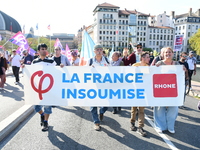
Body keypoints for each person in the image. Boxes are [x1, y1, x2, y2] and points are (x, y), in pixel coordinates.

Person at [31, 43, 57, 131]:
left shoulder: (51, 62)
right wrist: (24, 68)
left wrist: (61, 67)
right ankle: (42, 115)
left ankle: (45, 122)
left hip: (48, 88)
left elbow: (57, 73)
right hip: (38, 88)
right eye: (42, 49)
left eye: (45, 48)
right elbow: (30, 73)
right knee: (36, 107)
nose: (44, 50)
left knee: (47, 106)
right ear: (38, 51)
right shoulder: (34, 62)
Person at [154, 47, 180, 134]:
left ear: (172, 53)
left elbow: (181, 75)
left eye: (169, 52)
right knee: (159, 108)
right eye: (166, 52)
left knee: (173, 109)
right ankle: (160, 126)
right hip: (161, 89)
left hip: (173, 90)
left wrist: (183, 70)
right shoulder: (159, 63)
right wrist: (155, 68)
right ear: (163, 54)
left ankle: (170, 126)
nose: (168, 54)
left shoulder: (177, 64)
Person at [86, 44, 109, 131]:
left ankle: (102, 111)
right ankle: (96, 122)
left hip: (105, 85)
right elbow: (83, 72)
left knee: (107, 103)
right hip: (93, 86)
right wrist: (89, 69)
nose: (99, 51)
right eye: (97, 49)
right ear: (94, 51)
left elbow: (113, 71)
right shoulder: (90, 61)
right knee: (93, 105)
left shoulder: (107, 60)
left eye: (100, 49)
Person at [130, 51, 150, 137]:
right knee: (134, 109)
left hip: (143, 91)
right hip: (135, 90)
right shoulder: (135, 66)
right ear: (143, 58)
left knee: (141, 110)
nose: (149, 59)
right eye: (147, 57)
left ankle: (140, 127)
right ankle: (132, 122)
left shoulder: (148, 67)